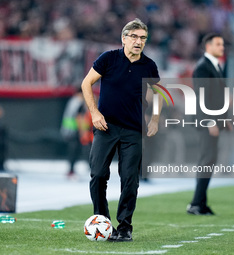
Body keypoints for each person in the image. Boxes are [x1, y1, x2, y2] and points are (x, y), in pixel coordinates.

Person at [81, 18, 161, 242]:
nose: (138, 41)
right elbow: (86, 83)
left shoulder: (149, 65)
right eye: (134, 37)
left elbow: (158, 95)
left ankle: (125, 227)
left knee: (130, 180)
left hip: (133, 130)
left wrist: (154, 119)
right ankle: (103, 222)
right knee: (97, 174)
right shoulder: (108, 59)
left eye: (143, 38)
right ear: (124, 38)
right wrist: (94, 113)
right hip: (106, 126)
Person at [187, 33, 231, 216]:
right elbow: (202, 97)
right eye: (218, 44)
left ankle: (201, 202)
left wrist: (224, 118)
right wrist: (211, 121)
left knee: (209, 160)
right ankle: (196, 203)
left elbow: (217, 97)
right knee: (207, 160)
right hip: (207, 122)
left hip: (214, 121)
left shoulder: (214, 66)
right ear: (208, 46)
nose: (222, 47)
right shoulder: (203, 67)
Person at [60, 90, 93, 180]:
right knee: (74, 151)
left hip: (71, 131)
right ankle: (71, 170)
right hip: (74, 131)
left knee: (76, 150)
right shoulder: (78, 102)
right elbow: (78, 117)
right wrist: (83, 131)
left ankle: (72, 170)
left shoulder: (73, 101)